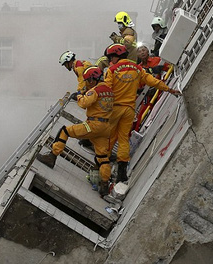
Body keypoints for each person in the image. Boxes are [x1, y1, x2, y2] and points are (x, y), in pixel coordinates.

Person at [104, 44, 181, 184]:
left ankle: (103, 170)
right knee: (123, 140)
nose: (111, 60)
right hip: (129, 110)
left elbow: (106, 91)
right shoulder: (137, 68)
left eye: (111, 57)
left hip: (114, 109)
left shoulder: (112, 70)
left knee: (108, 138)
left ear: (115, 57)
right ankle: (121, 174)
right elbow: (152, 81)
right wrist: (169, 89)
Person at [36, 66, 115, 196]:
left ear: (94, 79)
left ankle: (52, 156)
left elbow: (84, 103)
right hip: (105, 127)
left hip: (93, 125)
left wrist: (79, 95)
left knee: (65, 131)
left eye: (89, 80)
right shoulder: (109, 91)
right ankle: (104, 185)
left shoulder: (96, 90)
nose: (88, 83)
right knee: (102, 157)